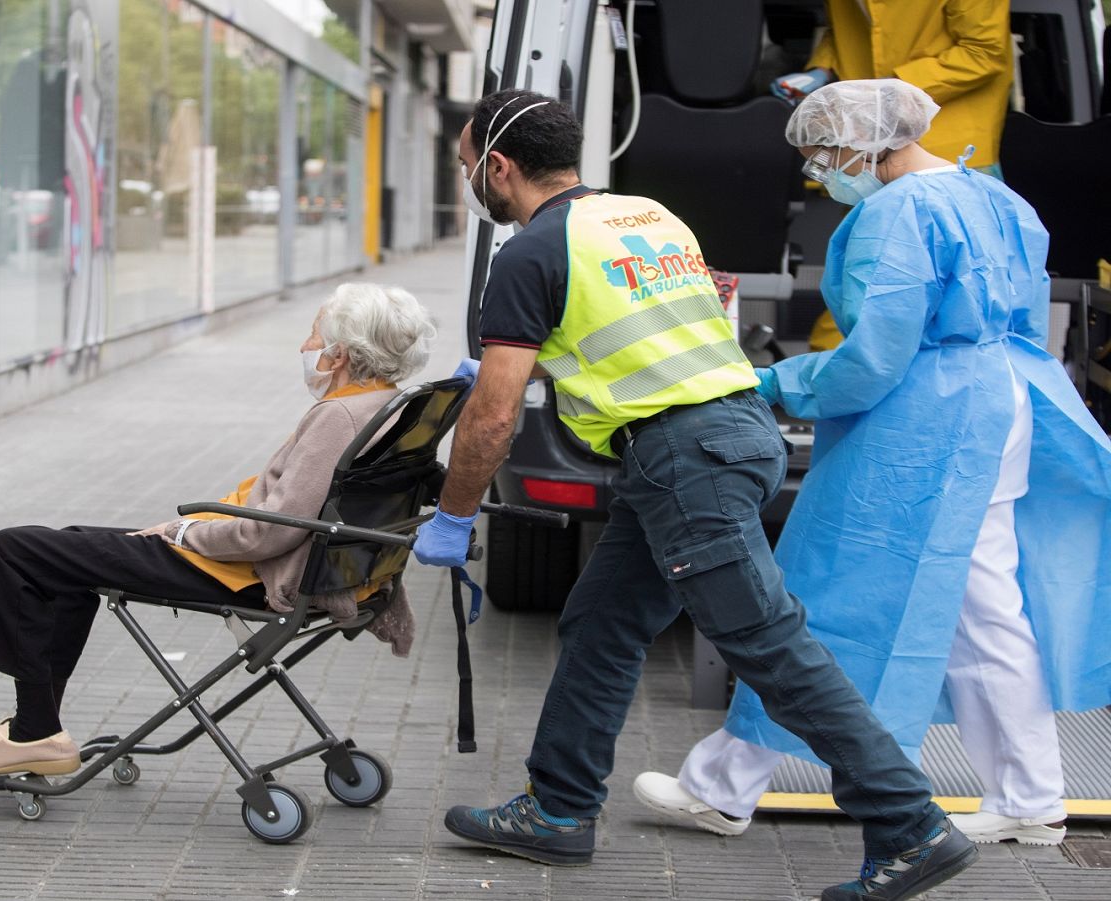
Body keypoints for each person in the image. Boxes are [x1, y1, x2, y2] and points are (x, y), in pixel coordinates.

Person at [414, 88, 976, 901]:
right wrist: (532, 355)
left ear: (499, 167)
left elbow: (493, 419)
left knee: (767, 643)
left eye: (470, 167)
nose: (471, 180)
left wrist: (455, 513)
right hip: (728, 433)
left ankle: (911, 823)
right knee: (602, 620)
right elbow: (653, 322)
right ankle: (560, 808)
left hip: (686, 457)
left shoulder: (530, 253)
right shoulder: (647, 215)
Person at [633, 79, 1111, 849]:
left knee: (820, 597)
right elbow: (1020, 314)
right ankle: (1031, 795)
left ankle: (720, 787)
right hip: (1000, 405)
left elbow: (876, 355)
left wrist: (770, 382)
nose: (819, 171)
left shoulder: (896, 212)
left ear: (864, 141)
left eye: (821, 154)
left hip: (919, 427)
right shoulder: (994, 196)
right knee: (988, 612)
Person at [0, 283, 433, 776]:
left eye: (312, 337)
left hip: (248, 572)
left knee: (12, 549)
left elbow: (273, 533)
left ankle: (33, 734)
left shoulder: (339, 416)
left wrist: (184, 533)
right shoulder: (390, 406)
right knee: (65, 548)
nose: (305, 348)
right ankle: (37, 726)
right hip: (297, 566)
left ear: (339, 355)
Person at [771, 0, 1014, 350]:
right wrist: (823, 69)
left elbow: (985, 52)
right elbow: (843, 34)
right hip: (862, 141)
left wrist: (880, 94)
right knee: (869, 264)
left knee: (946, 284)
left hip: (946, 133)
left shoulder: (969, 199)